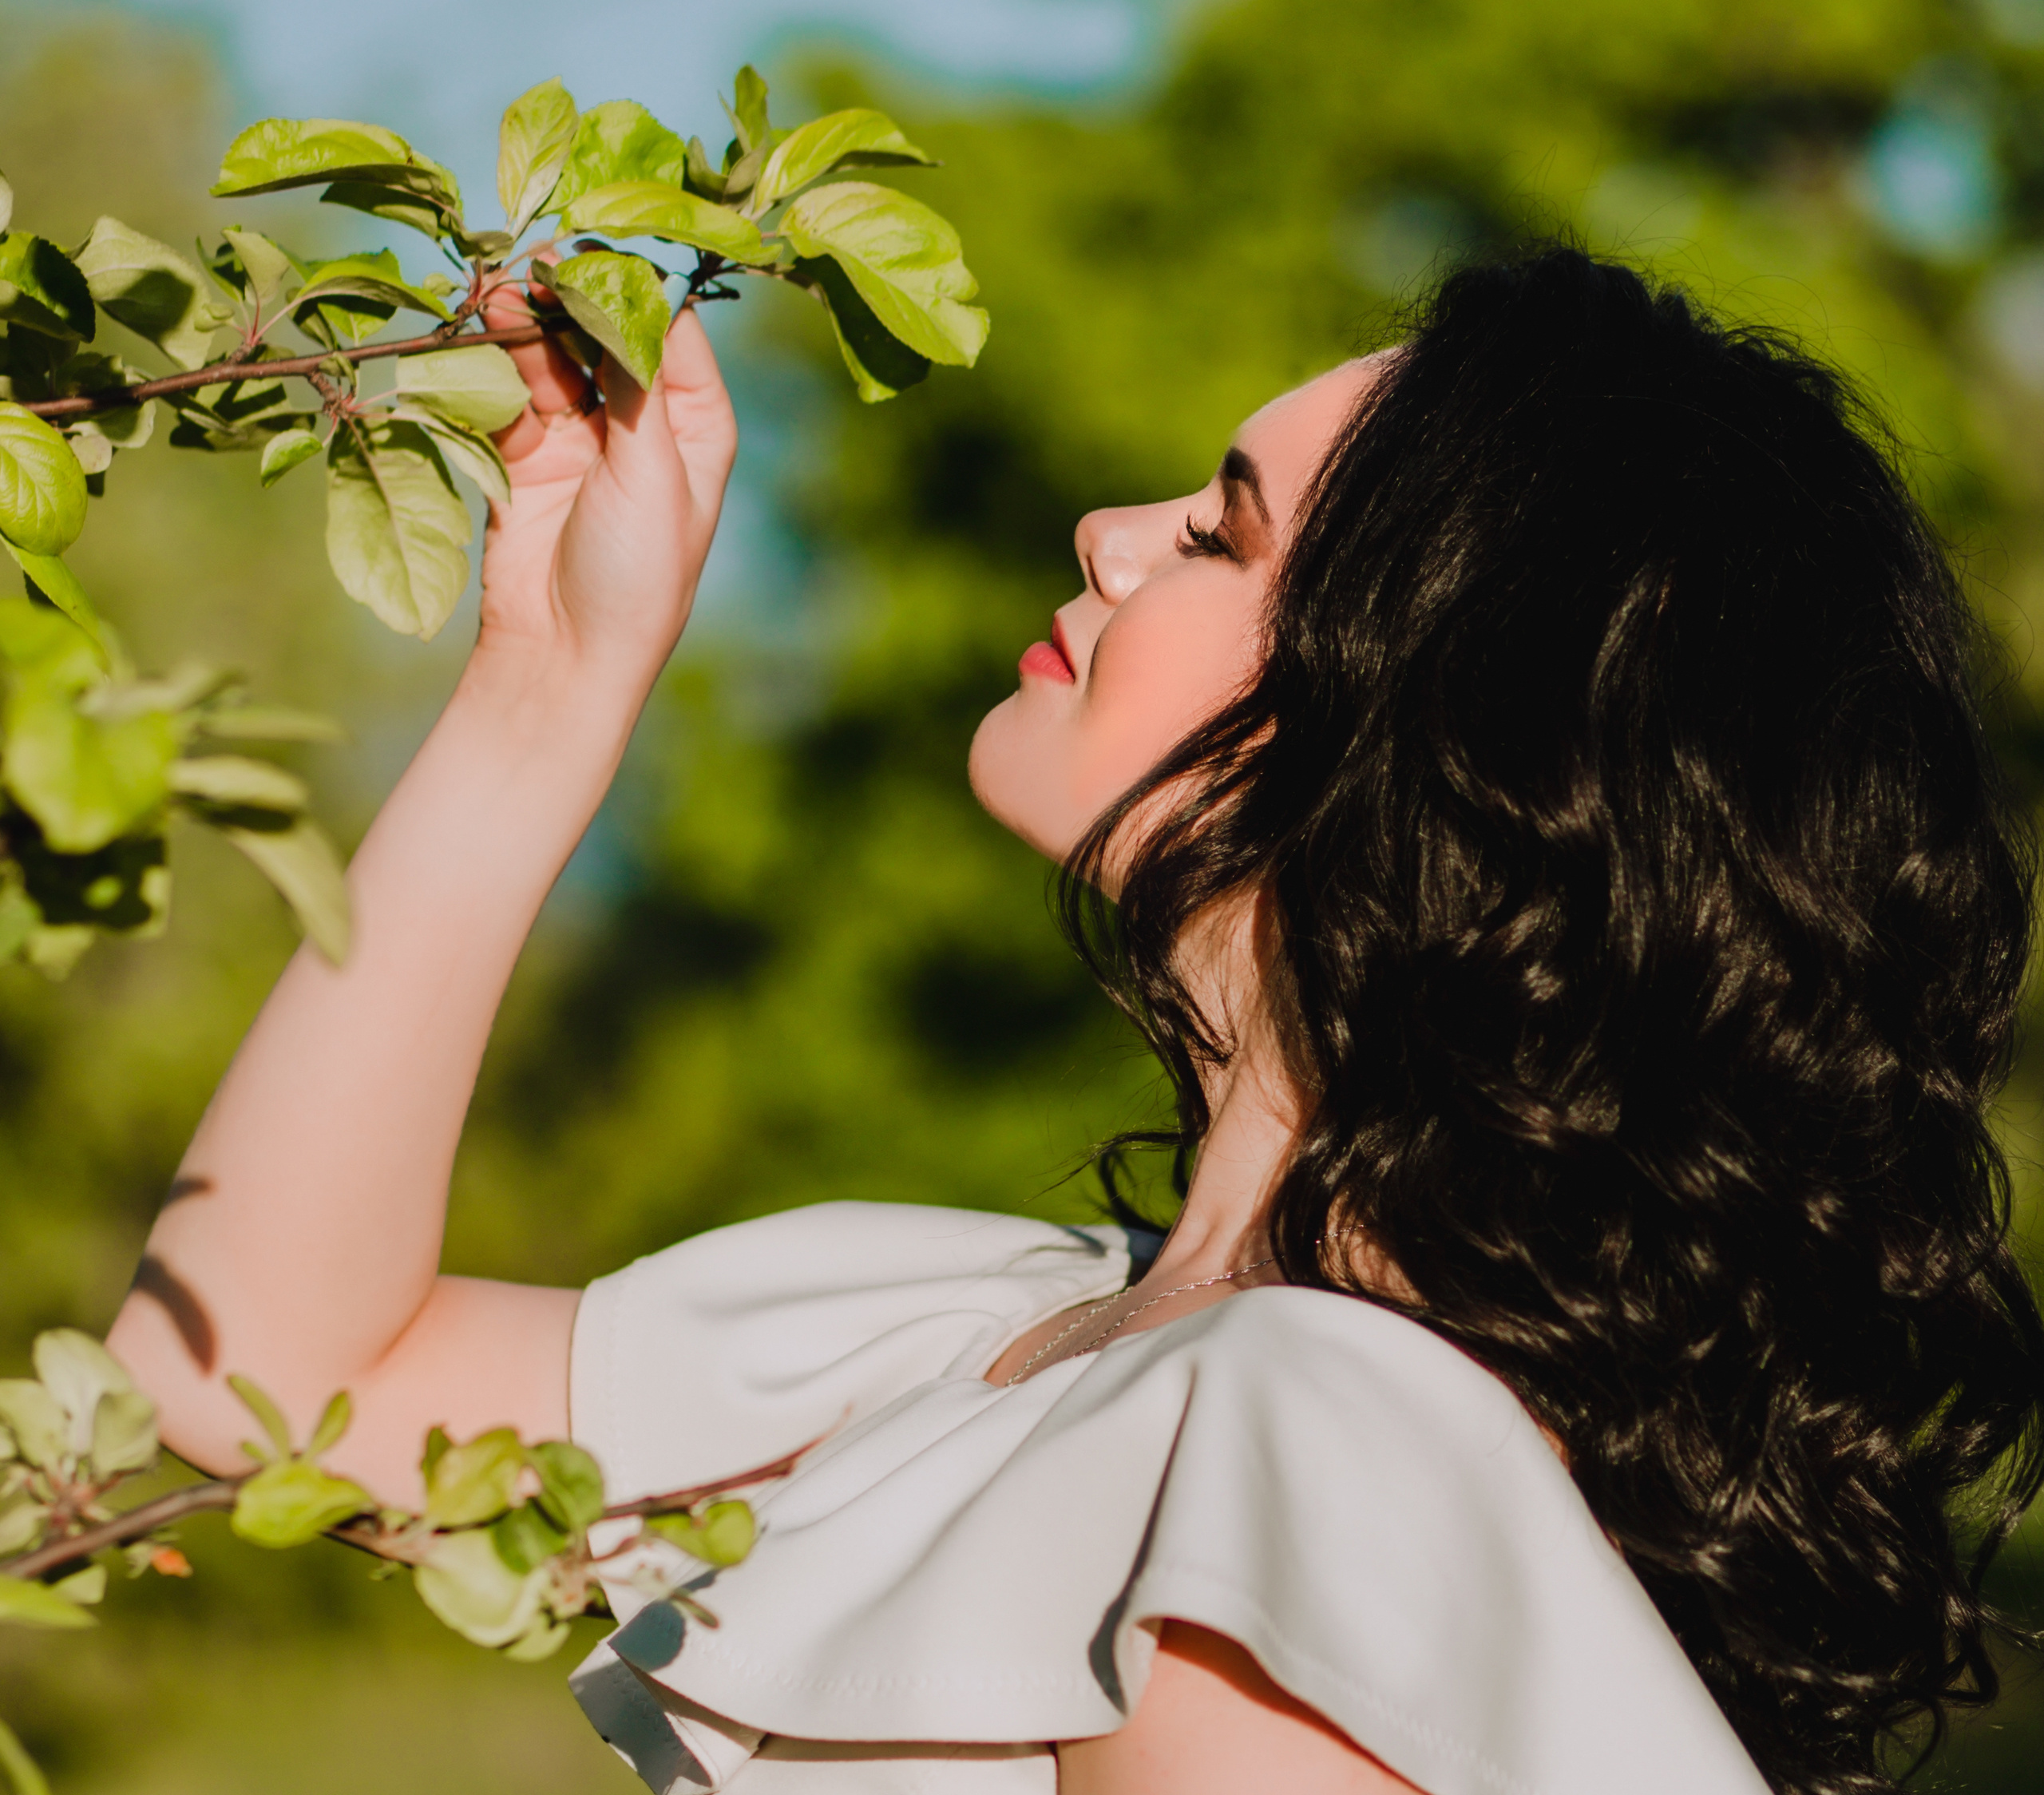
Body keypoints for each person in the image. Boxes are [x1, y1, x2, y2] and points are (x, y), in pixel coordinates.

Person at [108, 248, 2044, 1795]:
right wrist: (549, 678)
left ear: (1439, 734)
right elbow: (243, 1384)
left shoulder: (1300, 1455)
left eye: (1219, 532)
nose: (1111, 530)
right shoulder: (996, 1333)